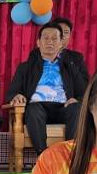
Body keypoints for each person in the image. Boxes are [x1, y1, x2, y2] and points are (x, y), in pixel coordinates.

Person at [5, 23, 87, 153]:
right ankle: (43, 156)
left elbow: (85, 92)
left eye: (54, 38)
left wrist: (77, 100)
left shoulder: (70, 68)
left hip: (63, 108)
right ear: (38, 42)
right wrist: (17, 95)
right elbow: (11, 93)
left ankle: (70, 155)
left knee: (76, 108)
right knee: (33, 108)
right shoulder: (25, 67)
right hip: (37, 109)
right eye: (46, 38)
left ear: (61, 44)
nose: (50, 42)